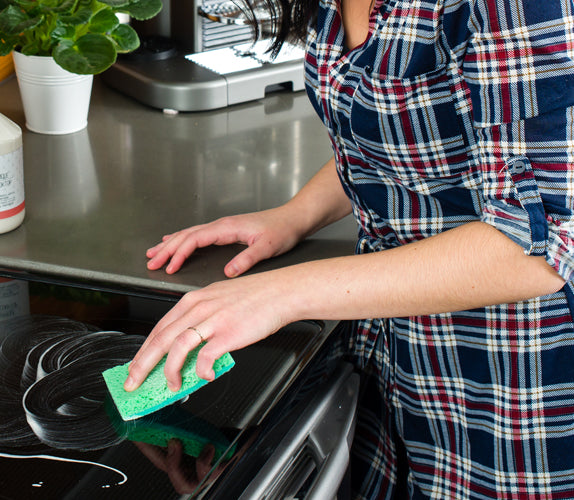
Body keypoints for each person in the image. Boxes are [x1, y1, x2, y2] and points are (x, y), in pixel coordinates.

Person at [121, 0, 574, 498]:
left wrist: (280, 294)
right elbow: (397, 138)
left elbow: (541, 242)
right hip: (387, 353)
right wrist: (295, 215)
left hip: (509, 382)